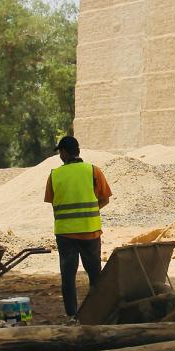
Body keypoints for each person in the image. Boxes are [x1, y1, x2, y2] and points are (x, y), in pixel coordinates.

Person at [44, 135, 112, 319]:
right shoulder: (93, 171)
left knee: (68, 277)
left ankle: (72, 315)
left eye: (59, 152)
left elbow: (53, 203)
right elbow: (105, 198)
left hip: (66, 235)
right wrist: (88, 211)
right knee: (95, 276)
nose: (59, 155)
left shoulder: (54, 175)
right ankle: (97, 312)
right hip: (91, 232)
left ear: (64, 153)